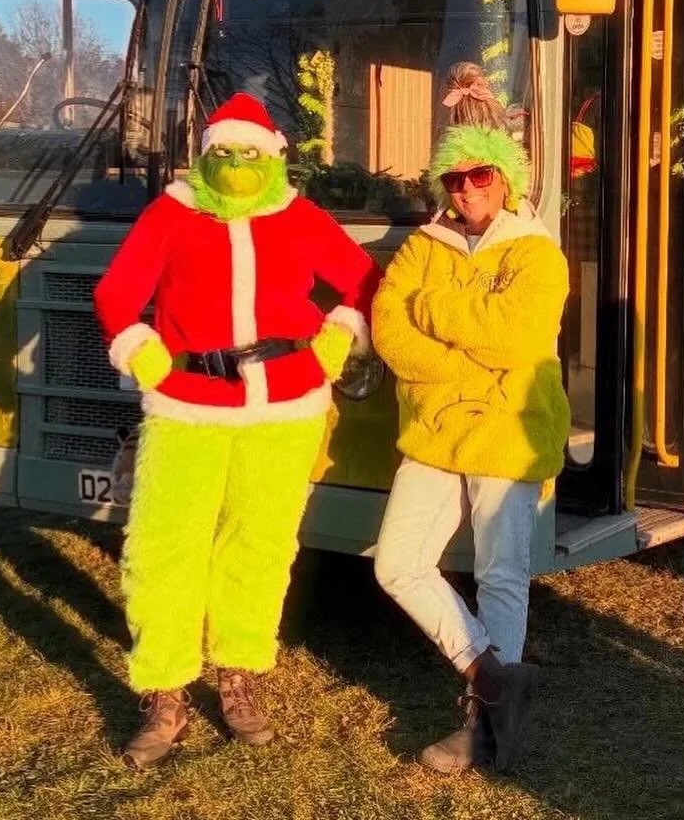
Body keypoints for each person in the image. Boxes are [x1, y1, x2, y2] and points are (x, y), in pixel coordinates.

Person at [93, 93, 381, 768]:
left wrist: (339, 336)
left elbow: (363, 281)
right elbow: (115, 292)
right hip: (187, 404)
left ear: (274, 158)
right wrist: (139, 345)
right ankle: (164, 690)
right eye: (222, 153)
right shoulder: (172, 212)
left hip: (286, 407)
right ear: (206, 155)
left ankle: (238, 673)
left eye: (248, 154)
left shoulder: (299, 216)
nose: (235, 165)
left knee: (259, 546)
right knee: (164, 547)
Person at [371, 64, 570, 775]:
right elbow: (389, 328)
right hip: (435, 430)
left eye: (481, 177)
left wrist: (435, 312)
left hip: (509, 429)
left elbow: (516, 337)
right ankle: (494, 680)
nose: (467, 191)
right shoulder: (425, 242)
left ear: (506, 179)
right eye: (455, 180)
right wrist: (465, 354)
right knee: (396, 564)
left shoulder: (538, 252)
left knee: (501, 575)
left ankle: (485, 730)